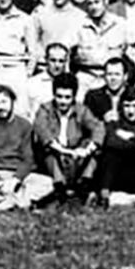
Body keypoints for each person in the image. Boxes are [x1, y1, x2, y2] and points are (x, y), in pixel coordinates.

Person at [0, 84, 53, 211]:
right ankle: (20, 202)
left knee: (47, 184)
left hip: (18, 175)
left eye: (4, 102)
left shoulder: (24, 125)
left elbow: (28, 159)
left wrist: (15, 180)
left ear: (13, 102)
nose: (0, 107)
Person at [33, 74, 104, 204]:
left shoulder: (81, 110)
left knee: (96, 149)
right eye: (59, 96)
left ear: (74, 97)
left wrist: (87, 150)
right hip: (55, 155)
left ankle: (84, 184)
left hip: (75, 156)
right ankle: (59, 187)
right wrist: (65, 151)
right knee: (47, 152)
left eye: (67, 97)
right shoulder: (45, 109)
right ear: (53, 95)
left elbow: (98, 127)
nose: (63, 101)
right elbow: (42, 131)